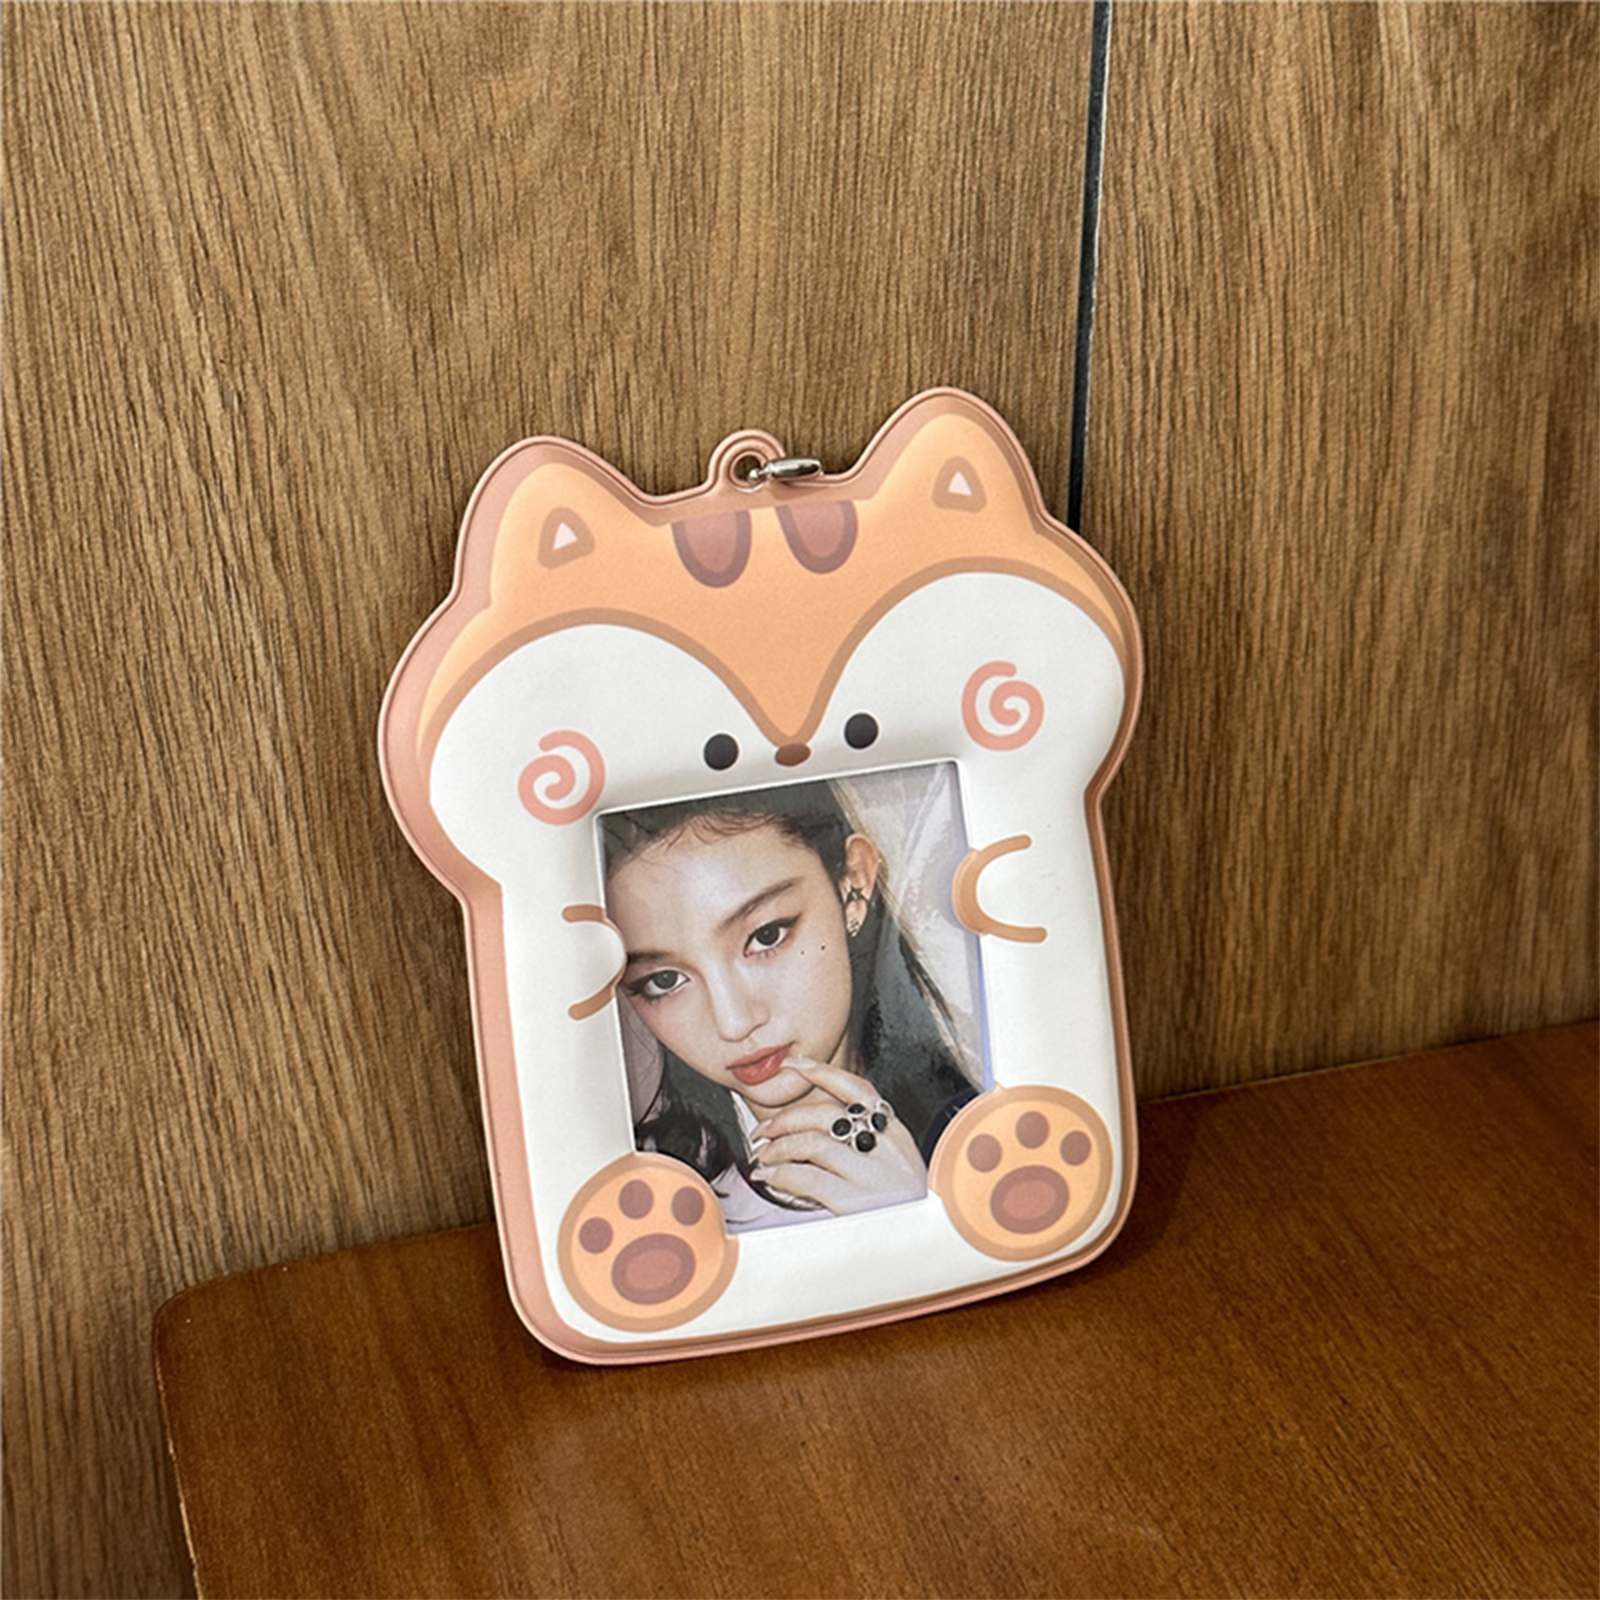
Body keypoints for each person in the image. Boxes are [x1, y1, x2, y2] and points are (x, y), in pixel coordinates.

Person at [601, 780, 980, 1230]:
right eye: (664, 981)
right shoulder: (637, 1196)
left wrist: (915, 1219)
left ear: (853, 886)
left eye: (766, 936)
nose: (734, 1022)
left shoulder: (989, 1134)